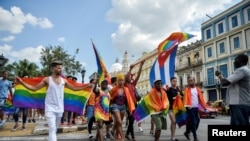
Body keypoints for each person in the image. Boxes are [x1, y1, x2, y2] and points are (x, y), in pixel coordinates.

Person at [15, 60, 92, 141]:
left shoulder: (64, 80)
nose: (61, 70)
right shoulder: (47, 80)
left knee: (54, 129)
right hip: (50, 108)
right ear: (53, 68)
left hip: (60, 109)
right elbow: (34, 88)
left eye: (61, 68)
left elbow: (74, 88)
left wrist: (86, 86)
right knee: (52, 128)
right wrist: (22, 82)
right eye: (59, 68)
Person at [215, 53, 250, 125]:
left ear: (242, 61)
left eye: (236, 60)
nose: (234, 62)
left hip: (239, 104)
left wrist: (219, 75)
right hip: (239, 104)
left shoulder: (242, 70)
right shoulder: (245, 70)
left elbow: (225, 82)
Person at [109, 73, 135, 140]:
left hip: (123, 107)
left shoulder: (126, 89)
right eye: (120, 80)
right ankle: (122, 138)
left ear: (124, 81)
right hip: (115, 106)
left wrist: (130, 109)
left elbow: (128, 100)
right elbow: (109, 97)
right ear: (117, 81)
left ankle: (116, 136)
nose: (121, 82)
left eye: (122, 80)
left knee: (118, 123)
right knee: (119, 122)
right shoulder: (114, 89)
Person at [124, 60, 144, 141]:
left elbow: (138, 76)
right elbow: (125, 77)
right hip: (129, 105)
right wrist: (130, 69)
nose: (130, 77)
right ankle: (132, 137)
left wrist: (141, 66)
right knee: (131, 120)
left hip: (135, 104)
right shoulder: (125, 84)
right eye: (129, 76)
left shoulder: (132, 85)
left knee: (132, 121)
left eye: (130, 76)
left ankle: (127, 134)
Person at [183, 76, 206, 141]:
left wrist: (204, 107)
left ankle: (187, 132)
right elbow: (185, 99)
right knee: (193, 122)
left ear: (194, 81)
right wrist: (187, 106)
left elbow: (201, 99)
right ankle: (195, 137)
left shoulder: (198, 89)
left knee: (197, 121)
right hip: (190, 108)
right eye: (189, 81)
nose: (190, 82)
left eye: (191, 80)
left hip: (196, 108)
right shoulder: (187, 89)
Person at [165, 77, 183, 141]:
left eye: (175, 81)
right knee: (173, 121)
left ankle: (173, 136)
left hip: (177, 108)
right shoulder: (169, 89)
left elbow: (182, 96)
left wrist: (180, 97)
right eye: (173, 81)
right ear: (171, 82)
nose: (175, 82)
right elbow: (166, 98)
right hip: (170, 108)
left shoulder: (178, 89)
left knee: (174, 123)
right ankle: (172, 137)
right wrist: (174, 98)